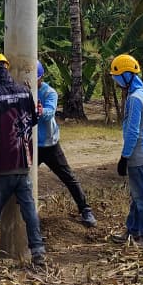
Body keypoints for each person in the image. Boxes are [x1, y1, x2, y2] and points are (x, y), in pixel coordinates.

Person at [0, 53, 46, 266]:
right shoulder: (25, 91)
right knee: (29, 210)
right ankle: (38, 251)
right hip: (23, 164)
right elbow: (35, 118)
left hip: (1, 166)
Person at [35, 60, 97, 228]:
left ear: (41, 77)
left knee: (68, 177)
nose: (33, 83)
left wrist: (40, 111)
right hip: (31, 146)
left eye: (36, 79)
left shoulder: (49, 93)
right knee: (22, 178)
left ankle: (85, 210)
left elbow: (49, 113)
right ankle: (22, 213)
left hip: (49, 144)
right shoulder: (24, 91)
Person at [109, 54, 143, 243]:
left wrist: (124, 157)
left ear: (126, 76)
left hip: (138, 155)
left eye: (117, 78)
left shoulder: (135, 99)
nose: (117, 83)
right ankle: (133, 231)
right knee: (137, 197)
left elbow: (132, 132)